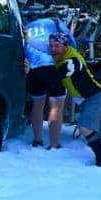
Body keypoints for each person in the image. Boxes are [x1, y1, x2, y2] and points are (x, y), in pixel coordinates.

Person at [49, 32, 101, 167]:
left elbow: (60, 73)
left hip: (95, 98)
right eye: (51, 46)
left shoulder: (73, 60)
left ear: (65, 46)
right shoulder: (61, 58)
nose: (53, 49)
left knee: (85, 127)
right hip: (89, 99)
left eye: (57, 46)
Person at [24, 18, 76, 149]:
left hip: (33, 69)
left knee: (37, 105)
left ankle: (37, 140)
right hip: (53, 68)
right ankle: (54, 144)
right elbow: (71, 42)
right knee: (56, 107)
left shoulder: (28, 25)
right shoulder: (57, 22)